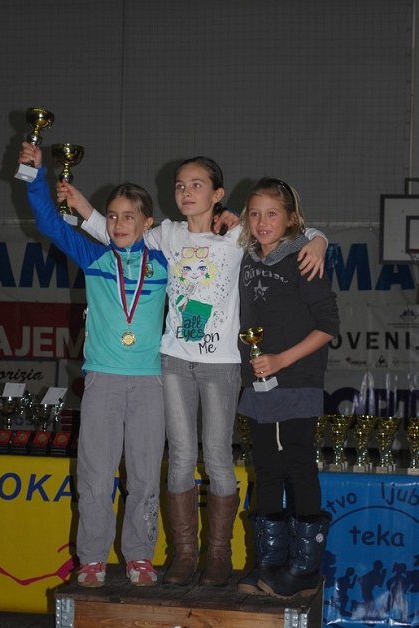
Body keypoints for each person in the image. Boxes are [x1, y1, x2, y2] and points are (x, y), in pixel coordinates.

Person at [58, 157, 327, 587]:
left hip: (222, 364)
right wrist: (82, 206)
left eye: (197, 185)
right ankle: (184, 554)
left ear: (217, 194)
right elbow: (116, 233)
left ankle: (217, 555)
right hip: (174, 361)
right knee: (181, 456)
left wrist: (319, 240)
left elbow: (283, 232)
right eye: (181, 185)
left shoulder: (238, 235)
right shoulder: (166, 234)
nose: (186, 192)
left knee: (218, 457)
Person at [18, 142, 168, 588]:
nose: (119, 224)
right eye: (113, 216)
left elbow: (209, 252)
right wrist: (35, 175)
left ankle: (140, 555)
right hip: (102, 380)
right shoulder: (96, 257)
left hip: (150, 383)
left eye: (129, 217)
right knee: (96, 476)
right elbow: (50, 224)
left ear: (148, 223)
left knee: (145, 477)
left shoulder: (166, 262)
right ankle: (92, 559)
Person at [236, 177, 339, 600]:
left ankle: (305, 569)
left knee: (298, 468)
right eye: (255, 214)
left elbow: (328, 326)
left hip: (295, 382)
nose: (262, 222)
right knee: (266, 470)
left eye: (272, 214)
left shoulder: (303, 258)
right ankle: (269, 562)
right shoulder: (245, 257)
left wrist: (281, 360)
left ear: (291, 219)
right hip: (259, 385)